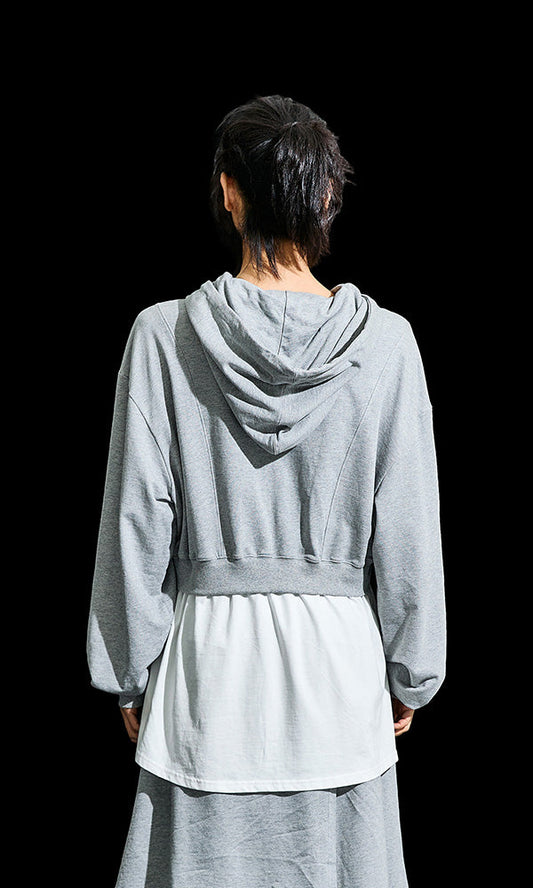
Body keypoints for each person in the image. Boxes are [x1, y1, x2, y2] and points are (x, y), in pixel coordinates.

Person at [87, 94, 446, 888]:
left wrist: (126, 670)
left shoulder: (163, 335)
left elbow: (136, 520)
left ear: (228, 190)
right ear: (327, 196)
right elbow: (408, 531)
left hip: (206, 684)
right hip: (340, 684)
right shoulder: (387, 345)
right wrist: (411, 671)